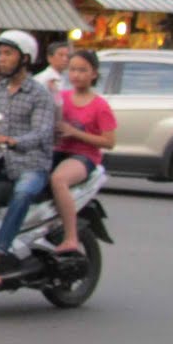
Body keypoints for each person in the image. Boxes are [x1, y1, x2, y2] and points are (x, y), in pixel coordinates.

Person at [0, 30, 57, 288]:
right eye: (0, 53)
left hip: (32, 165)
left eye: (8, 54)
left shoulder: (39, 94)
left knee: (22, 195)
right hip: (3, 164)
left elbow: (43, 132)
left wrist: (12, 141)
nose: (1, 58)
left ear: (25, 58)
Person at [50, 49, 116, 256]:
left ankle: (71, 237)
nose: (76, 75)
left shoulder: (100, 106)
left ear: (94, 74)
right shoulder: (61, 97)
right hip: (57, 151)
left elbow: (109, 142)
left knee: (59, 179)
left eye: (82, 70)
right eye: (73, 70)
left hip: (83, 156)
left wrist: (74, 133)